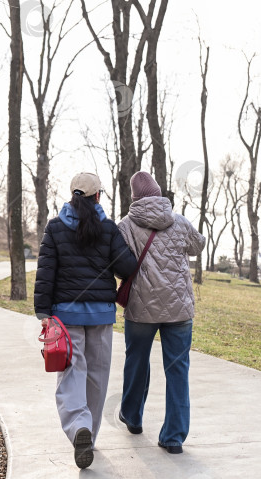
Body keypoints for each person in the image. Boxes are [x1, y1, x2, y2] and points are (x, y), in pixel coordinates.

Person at [34, 172, 137, 469]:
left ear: (72, 194)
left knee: (71, 374)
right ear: (98, 196)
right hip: (101, 315)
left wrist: (43, 313)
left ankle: (79, 425)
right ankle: (88, 437)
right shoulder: (108, 228)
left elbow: (45, 272)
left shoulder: (55, 227)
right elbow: (127, 267)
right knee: (97, 376)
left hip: (65, 317)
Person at [116, 171, 206, 455]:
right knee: (178, 370)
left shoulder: (125, 226)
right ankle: (174, 437)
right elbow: (198, 246)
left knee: (136, 361)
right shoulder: (179, 221)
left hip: (141, 309)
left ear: (134, 198)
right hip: (179, 309)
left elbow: (119, 263)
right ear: (158, 193)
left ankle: (132, 417)